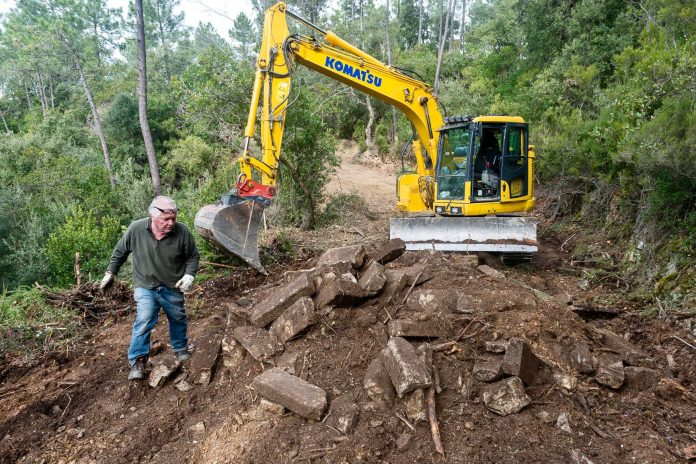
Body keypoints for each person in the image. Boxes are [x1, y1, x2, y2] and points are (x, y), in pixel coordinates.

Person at [100, 196, 200, 380]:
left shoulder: (182, 232)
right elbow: (120, 252)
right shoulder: (136, 229)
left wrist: (189, 274)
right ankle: (138, 361)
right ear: (152, 216)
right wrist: (110, 273)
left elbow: (193, 256)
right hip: (145, 285)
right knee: (145, 319)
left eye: (173, 219)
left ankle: (180, 348)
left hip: (172, 285)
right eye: (166, 220)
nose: (171, 223)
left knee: (178, 317)